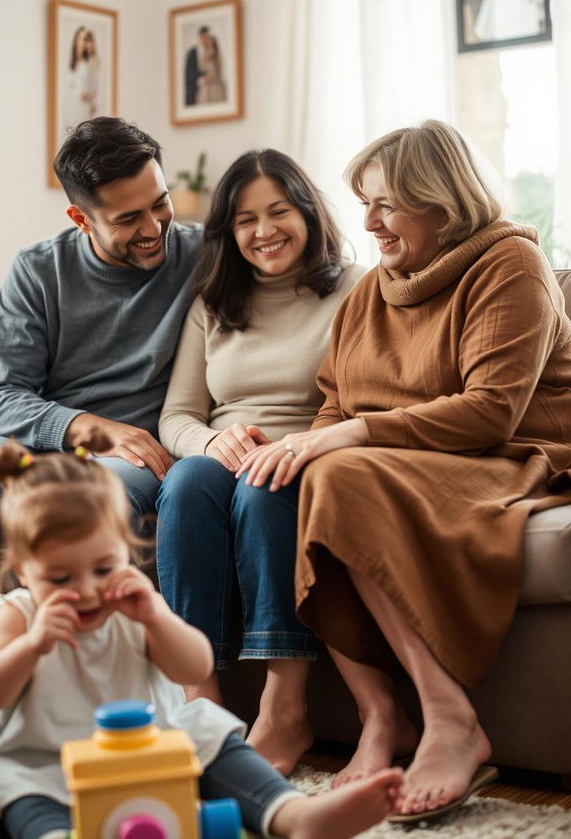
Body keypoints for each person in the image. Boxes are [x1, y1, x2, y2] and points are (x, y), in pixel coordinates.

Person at [237, 120, 571, 821]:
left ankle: (452, 720)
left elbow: (490, 413)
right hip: (409, 460)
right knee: (296, 474)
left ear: (441, 202)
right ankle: (382, 717)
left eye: (385, 203)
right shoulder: (374, 291)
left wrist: (349, 436)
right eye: (364, 202)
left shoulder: (510, 264)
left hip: (512, 457)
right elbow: (333, 403)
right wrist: (306, 446)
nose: (368, 222)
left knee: (340, 471)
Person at [0, 436, 402, 839]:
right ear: (23, 571)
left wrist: (156, 619)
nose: (88, 589)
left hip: (145, 751)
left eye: (103, 568)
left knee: (209, 737)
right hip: (48, 759)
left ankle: (291, 814)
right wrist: (32, 645)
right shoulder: (20, 615)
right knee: (23, 792)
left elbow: (194, 668)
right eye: (60, 577)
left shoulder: (132, 604)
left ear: (124, 552)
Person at [156, 149, 364, 775]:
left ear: (308, 212)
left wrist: (293, 446)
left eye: (278, 211)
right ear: (228, 231)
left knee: (263, 487)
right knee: (188, 482)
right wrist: (209, 442)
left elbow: (369, 396)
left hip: (306, 454)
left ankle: (285, 707)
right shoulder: (213, 302)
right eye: (245, 219)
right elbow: (177, 416)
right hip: (224, 454)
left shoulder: (358, 288)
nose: (263, 230)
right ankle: (201, 701)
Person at [0, 116, 202, 587]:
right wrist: (89, 428)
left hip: (139, 458)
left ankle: (77, 658)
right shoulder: (38, 270)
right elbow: (0, 396)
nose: (153, 227)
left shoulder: (205, 254)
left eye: (159, 204)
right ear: (81, 218)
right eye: (127, 218)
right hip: (44, 446)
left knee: (97, 499)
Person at [184, 25, 211, 106]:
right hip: (194, 90)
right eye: (203, 37)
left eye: (207, 37)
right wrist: (201, 78)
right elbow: (189, 73)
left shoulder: (211, 52)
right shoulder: (192, 52)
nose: (205, 40)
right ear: (200, 37)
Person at [196, 33, 226, 104]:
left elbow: (219, 73)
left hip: (215, 86)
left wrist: (213, 78)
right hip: (205, 87)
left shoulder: (218, 56)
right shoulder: (203, 55)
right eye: (207, 43)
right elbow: (201, 69)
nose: (208, 44)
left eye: (210, 43)